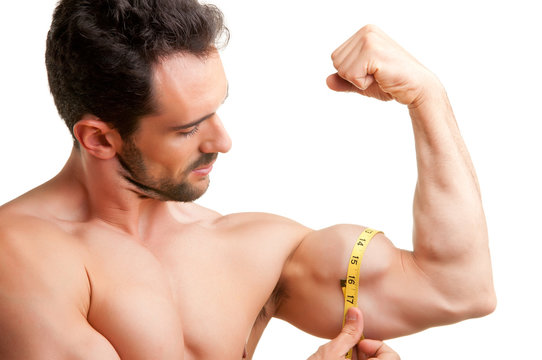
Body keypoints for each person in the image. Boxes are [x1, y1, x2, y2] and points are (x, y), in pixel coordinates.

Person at [0, 0, 496, 359]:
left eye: (217, 110)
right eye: (189, 127)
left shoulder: (256, 249)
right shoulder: (19, 254)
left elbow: (458, 289)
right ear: (100, 139)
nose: (222, 140)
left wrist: (426, 98)